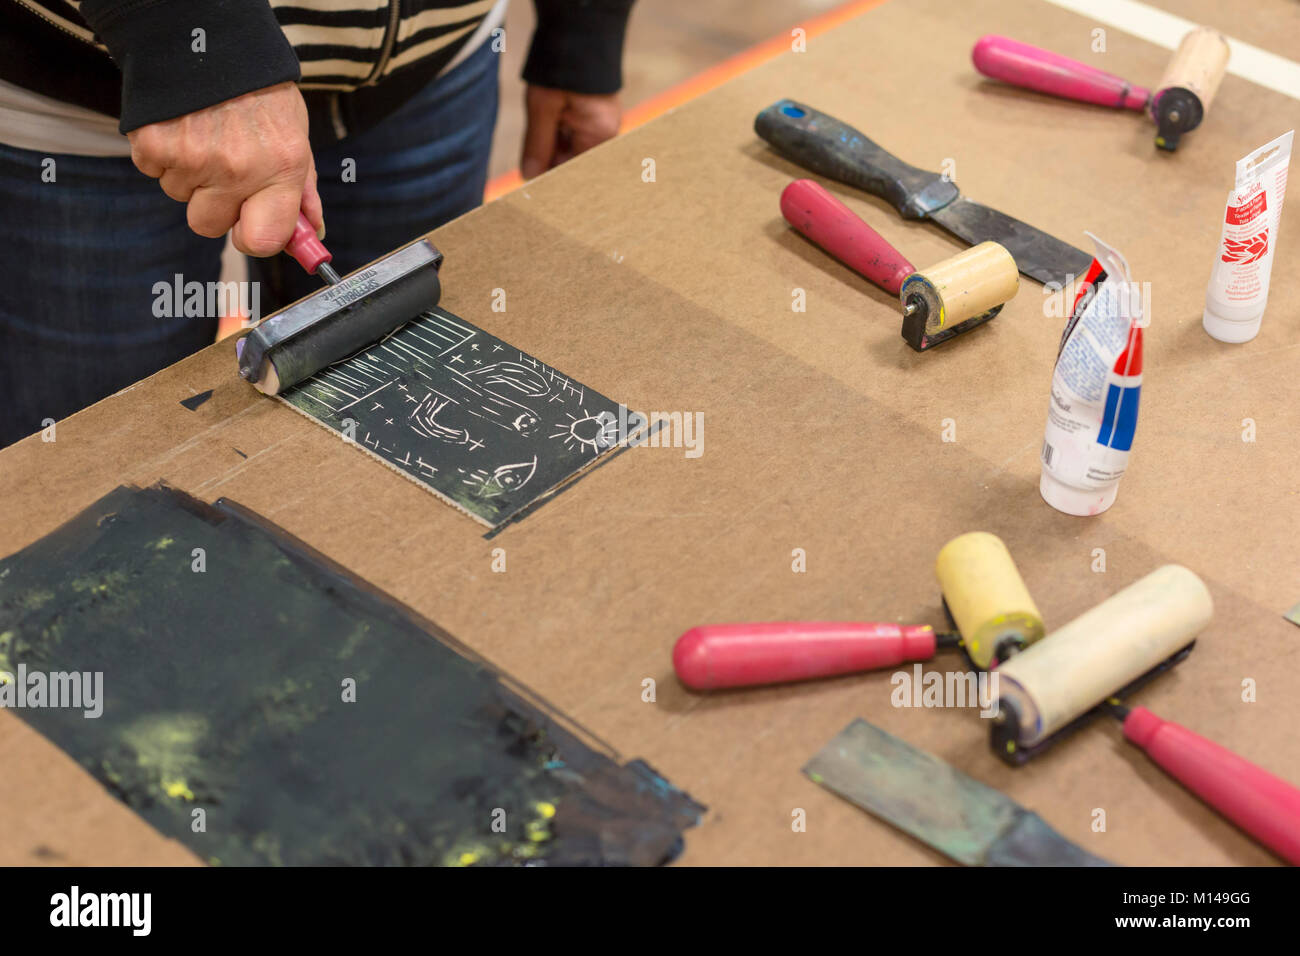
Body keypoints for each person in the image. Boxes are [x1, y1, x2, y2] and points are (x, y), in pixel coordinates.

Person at [0, 0, 635, 447]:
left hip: (428, 70)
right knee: (110, 468)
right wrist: (195, 42)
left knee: (389, 430)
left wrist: (584, 29)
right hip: (93, 100)